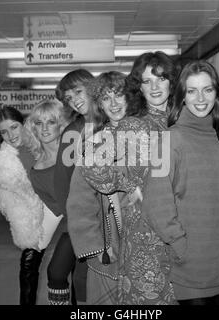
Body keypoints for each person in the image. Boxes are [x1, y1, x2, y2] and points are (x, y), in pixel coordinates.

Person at [141, 60, 219, 305]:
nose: (200, 98)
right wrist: (181, 246)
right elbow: (154, 204)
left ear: (216, 94)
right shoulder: (166, 140)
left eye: (207, 89)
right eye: (192, 91)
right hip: (191, 268)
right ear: (182, 96)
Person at [77, 54, 179, 304]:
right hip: (147, 237)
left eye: (161, 78)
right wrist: (130, 184)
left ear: (171, 82)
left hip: (182, 230)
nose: (154, 87)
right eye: (147, 81)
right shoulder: (134, 125)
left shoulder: (180, 122)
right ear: (138, 87)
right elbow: (91, 165)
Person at [67, 71, 129, 304]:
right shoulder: (93, 143)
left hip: (147, 248)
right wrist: (93, 248)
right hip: (109, 249)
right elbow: (79, 202)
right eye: (105, 98)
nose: (113, 103)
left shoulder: (151, 137)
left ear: (130, 97)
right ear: (99, 104)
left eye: (119, 95)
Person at [46, 69, 94, 305]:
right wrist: (73, 218)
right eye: (68, 98)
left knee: (85, 281)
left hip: (114, 222)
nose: (74, 100)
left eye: (77, 91)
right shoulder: (72, 133)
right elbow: (62, 180)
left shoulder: (117, 124)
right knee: (57, 273)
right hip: (79, 219)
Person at [24, 98, 75, 305]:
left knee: (79, 281)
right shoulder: (36, 170)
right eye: (39, 122)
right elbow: (56, 210)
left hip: (96, 221)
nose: (44, 128)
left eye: (51, 121)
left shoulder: (73, 151)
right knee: (56, 274)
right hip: (72, 227)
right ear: (33, 128)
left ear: (61, 124)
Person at [0, 106, 44, 305]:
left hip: (61, 212)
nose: (10, 135)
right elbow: (12, 201)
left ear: (23, 124)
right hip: (34, 217)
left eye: (14, 127)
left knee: (63, 268)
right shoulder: (5, 162)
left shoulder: (39, 143)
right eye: (4, 132)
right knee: (30, 264)